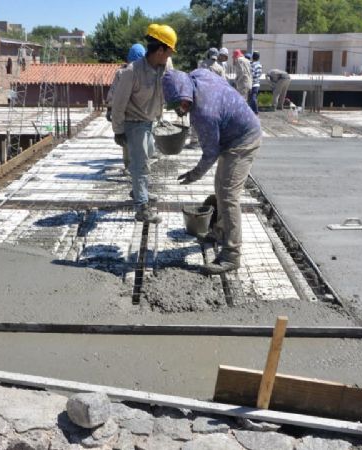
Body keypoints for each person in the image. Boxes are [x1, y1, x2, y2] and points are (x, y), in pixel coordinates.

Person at [162, 69, 262, 275]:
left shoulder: (203, 113)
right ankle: (220, 232)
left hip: (244, 139)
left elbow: (210, 153)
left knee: (228, 196)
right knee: (220, 188)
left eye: (182, 103)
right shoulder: (198, 74)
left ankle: (231, 255)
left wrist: (194, 175)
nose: (181, 109)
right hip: (234, 130)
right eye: (177, 105)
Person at [110, 24, 176, 224]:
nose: (170, 56)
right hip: (134, 124)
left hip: (149, 122)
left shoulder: (165, 67)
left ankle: (140, 191)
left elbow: (172, 86)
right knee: (140, 166)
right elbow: (118, 104)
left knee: (147, 160)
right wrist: (118, 130)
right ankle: (141, 208)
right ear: (160, 50)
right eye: (169, 51)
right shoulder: (132, 72)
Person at [106, 43, 146, 173]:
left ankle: (129, 166)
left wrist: (110, 108)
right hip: (142, 114)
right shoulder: (146, 72)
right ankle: (139, 165)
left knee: (126, 141)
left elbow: (113, 93)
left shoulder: (122, 72)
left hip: (126, 114)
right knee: (141, 140)